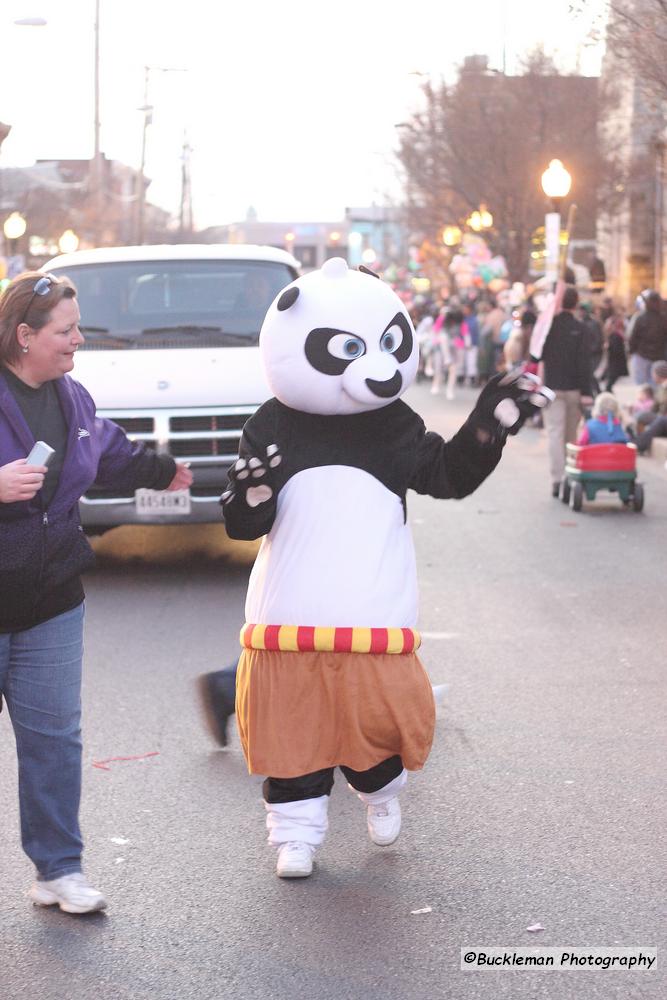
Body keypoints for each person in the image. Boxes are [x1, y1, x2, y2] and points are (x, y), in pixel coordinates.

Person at [217, 257, 551, 879]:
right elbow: (242, 522)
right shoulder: (271, 422)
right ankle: (295, 836)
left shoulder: (394, 423)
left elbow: (444, 477)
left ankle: (382, 789)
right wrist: (251, 492)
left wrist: (488, 427)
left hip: (374, 612)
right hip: (288, 616)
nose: (374, 367)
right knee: (293, 734)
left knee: (376, 729)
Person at [0, 271, 192, 914]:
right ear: (24, 336)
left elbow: (107, 450)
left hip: (51, 599)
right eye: (67, 331)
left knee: (55, 740)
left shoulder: (71, 397)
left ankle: (59, 870)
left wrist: (165, 470)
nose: (79, 339)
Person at [540, 285, 594, 497]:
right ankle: (570, 478)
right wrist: (587, 392)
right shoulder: (581, 329)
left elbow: (537, 356)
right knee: (571, 436)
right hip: (575, 389)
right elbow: (585, 363)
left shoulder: (547, 327)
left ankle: (557, 479)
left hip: (552, 387)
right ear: (576, 303)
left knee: (554, 433)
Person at [627, 291, 667, 385]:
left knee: (642, 386)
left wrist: (631, 351)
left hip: (643, 356)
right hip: (655, 355)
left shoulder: (639, 317)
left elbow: (631, 336)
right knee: (655, 385)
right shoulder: (663, 318)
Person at [633, 360, 667, 454]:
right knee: (641, 415)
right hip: (661, 417)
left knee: (660, 421)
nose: (652, 376)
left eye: (653, 373)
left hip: (663, 418)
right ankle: (637, 439)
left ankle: (638, 445)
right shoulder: (660, 388)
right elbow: (654, 408)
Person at [600, 311, 628, 392]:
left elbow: (616, 351)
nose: (606, 326)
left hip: (614, 365)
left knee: (608, 387)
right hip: (613, 365)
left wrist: (608, 347)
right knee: (608, 386)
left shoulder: (615, 336)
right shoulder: (615, 335)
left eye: (608, 324)